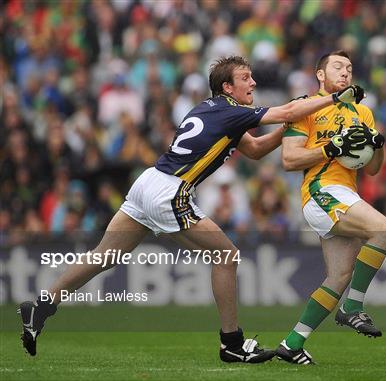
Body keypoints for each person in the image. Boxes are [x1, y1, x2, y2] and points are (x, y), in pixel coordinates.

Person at [17, 55, 364, 363]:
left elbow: (256, 149)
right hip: (170, 191)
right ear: (228, 86)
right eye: (246, 78)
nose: (254, 82)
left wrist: (288, 128)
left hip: (148, 182)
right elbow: (288, 111)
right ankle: (232, 343)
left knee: (103, 256)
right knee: (226, 256)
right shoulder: (233, 111)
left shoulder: (209, 109)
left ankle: (42, 305)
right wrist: (331, 98)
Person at [277, 51, 386, 364]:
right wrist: (331, 148)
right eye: (337, 67)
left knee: (339, 277)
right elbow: (289, 159)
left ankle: (292, 343)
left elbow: (371, 170)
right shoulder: (306, 107)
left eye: (350, 69)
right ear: (320, 74)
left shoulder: (362, 112)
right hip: (320, 192)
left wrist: (378, 146)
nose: (345, 73)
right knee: (383, 229)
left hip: (346, 193)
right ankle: (352, 308)